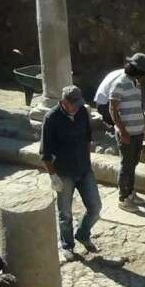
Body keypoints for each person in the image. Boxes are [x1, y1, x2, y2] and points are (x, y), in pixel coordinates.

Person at [40, 85, 103, 261]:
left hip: (84, 169)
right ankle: (67, 245)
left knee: (95, 208)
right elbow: (45, 154)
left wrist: (87, 163)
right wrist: (53, 176)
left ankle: (83, 234)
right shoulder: (51, 118)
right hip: (64, 173)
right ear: (63, 102)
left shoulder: (83, 112)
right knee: (65, 213)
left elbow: (87, 139)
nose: (76, 107)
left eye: (78, 103)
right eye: (73, 104)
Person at [109, 53, 145, 211]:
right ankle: (123, 198)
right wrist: (123, 132)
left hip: (137, 132)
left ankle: (131, 193)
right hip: (127, 134)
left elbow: (139, 107)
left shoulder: (136, 84)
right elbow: (113, 109)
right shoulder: (120, 83)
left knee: (133, 164)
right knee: (126, 166)